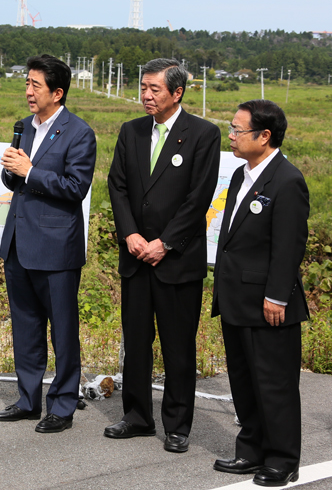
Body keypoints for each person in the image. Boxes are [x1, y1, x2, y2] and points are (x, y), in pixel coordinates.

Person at [105, 57, 220, 452]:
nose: (146, 96)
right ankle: (137, 417)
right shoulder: (132, 131)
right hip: (136, 257)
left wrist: (165, 242)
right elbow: (117, 185)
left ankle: (177, 425)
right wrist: (130, 234)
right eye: (143, 88)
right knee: (136, 343)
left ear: (177, 92)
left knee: (177, 346)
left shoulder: (203, 134)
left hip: (177, 260)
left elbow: (199, 197)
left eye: (154, 89)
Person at [0, 54, 97, 434]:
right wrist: (12, 170)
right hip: (19, 244)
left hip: (56, 248)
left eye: (35, 85)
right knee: (25, 327)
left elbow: (75, 187)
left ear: (57, 92)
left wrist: (30, 171)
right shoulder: (24, 127)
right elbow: (16, 181)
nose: (28, 91)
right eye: (27, 83)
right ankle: (27, 400)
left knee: (63, 331)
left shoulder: (79, 133)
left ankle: (63, 405)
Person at [211, 100, 309, 487]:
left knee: (274, 383)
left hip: (268, 302)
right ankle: (250, 449)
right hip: (236, 296)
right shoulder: (241, 175)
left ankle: (282, 459)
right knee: (244, 380)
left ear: (264, 136)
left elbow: (289, 246)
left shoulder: (287, 180)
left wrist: (277, 296)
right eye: (231, 128)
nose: (231, 136)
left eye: (238, 130)